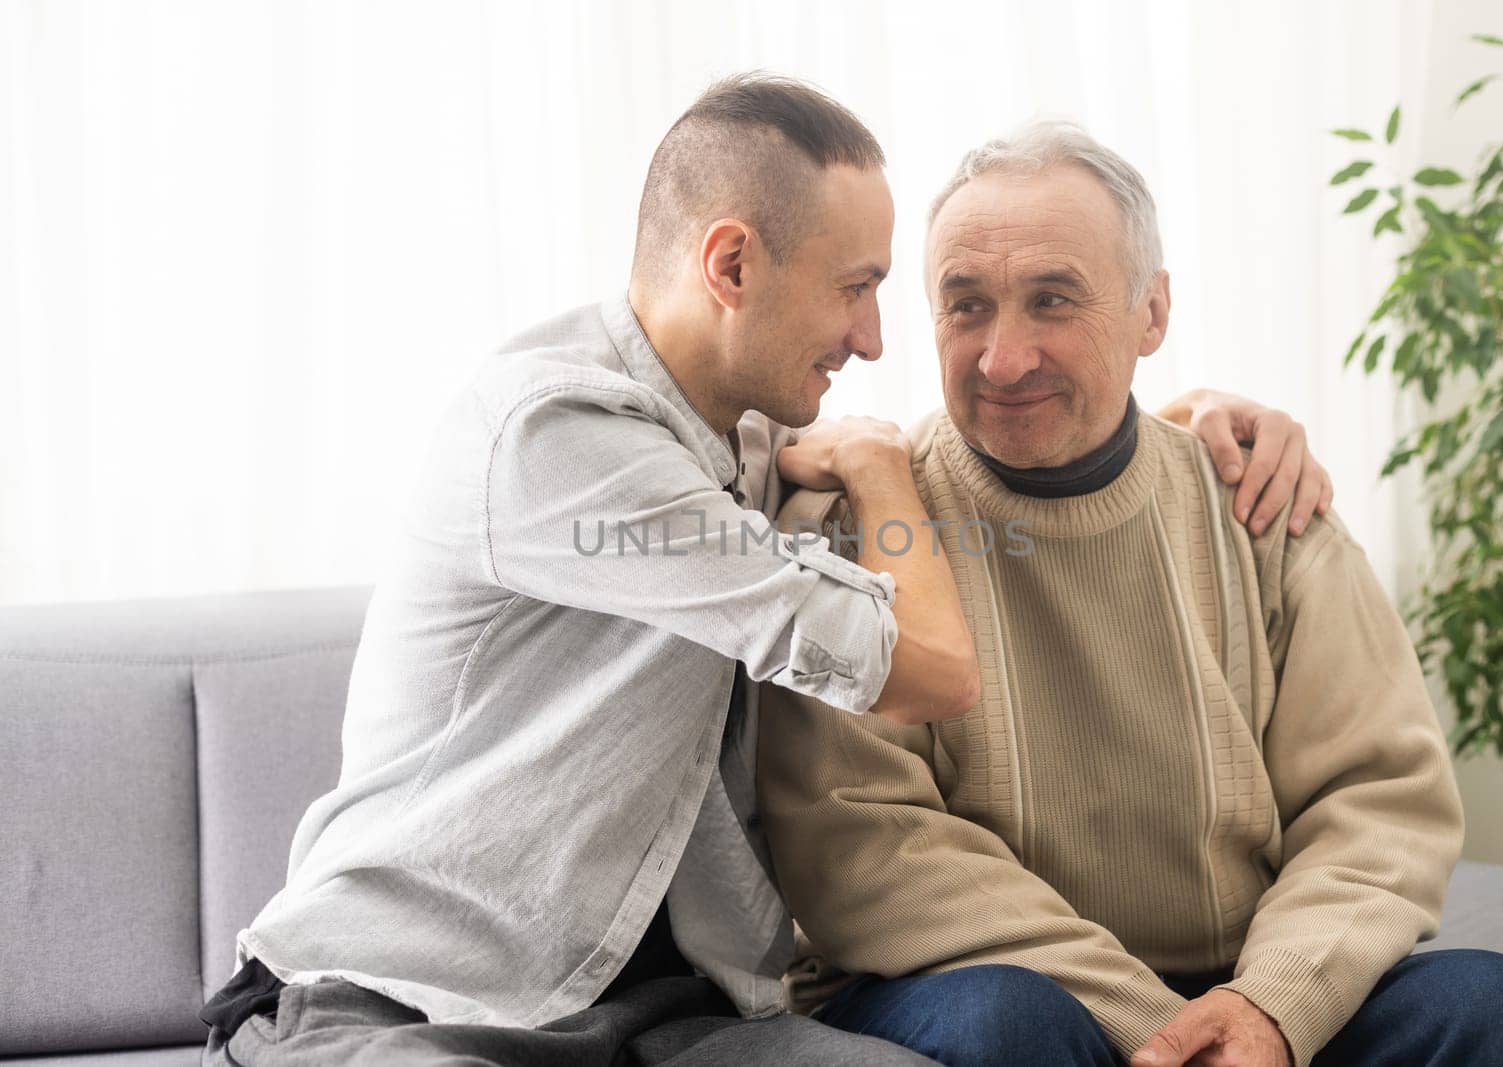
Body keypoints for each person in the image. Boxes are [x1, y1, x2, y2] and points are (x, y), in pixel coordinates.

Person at [200, 77, 1333, 1066]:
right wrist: (883, 470)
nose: (875, 336)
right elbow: (928, 665)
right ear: (733, 262)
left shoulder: (740, 442)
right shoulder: (554, 431)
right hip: (404, 1000)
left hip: (660, 1011)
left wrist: (1193, 424)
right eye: (855, 285)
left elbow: (1051, 449)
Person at [756, 120, 1503, 1067]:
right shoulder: (864, 528)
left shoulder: (1264, 502)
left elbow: (1378, 801)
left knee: (1499, 1006)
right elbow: (865, 847)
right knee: (1005, 1025)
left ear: (1152, 313)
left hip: (1246, 984)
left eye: (1053, 300)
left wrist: (1271, 1008)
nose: (1003, 356)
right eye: (967, 305)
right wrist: (1159, 1030)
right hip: (980, 986)